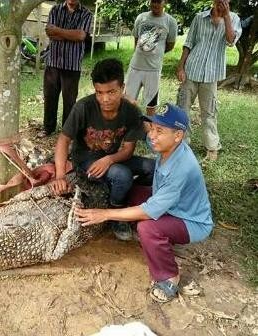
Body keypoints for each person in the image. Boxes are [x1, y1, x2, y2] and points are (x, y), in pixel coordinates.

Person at [75, 104, 214, 303]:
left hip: (190, 220)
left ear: (178, 135)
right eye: (153, 128)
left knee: (147, 227)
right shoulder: (165, 144)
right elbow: (143, 128)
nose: (152, 136)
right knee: (133, 193)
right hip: (172, 206)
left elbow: (148, 211)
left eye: (160, 130)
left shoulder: (182, 168)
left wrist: (104, 214)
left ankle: (169, 277)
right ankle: (157, 240)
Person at [50, 58, 155, 238]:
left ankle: (124, 197)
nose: (105, 99)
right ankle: (116, 216)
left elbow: (128, 150)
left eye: (111, 92)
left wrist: (109, 159)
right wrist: (60, 175)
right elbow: (63, 140)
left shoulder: (131, 111)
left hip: (112, 157)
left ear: (122, 88)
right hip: (86, 160)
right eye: (99, 92)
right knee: (121, 175)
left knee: (153, 168)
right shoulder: (83, 107)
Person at [176, 0, 241, 161]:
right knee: (183, 108)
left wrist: (226, 17)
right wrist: (180, 67)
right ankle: (181, 144)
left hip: (211, 74)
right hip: (192, 69)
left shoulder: (234, 19)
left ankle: (212, 147)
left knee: (209, 112)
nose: (221, 3)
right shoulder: (199, 17)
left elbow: (231, 41)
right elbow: (189, 43)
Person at [39, 0, 93, 138]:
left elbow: (81, 36)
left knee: (69, 101)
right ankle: (48, 128)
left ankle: (67, 132)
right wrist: (71, 34)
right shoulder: (55, 10)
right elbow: (49, 33)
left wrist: (58, 31)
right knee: (50, 97)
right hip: (53, 62)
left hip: (72, 64)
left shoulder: (86, 14)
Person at [125, 0, 178, 116]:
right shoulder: (141, 17)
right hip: (136, 67)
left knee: (151, 105)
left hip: (153, 69)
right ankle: (128, 127)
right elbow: (136, 39)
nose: (155, 4)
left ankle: (149, 131)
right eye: (153, 1)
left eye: (159, 1)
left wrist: (155, 53)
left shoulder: (171, 22)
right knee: (127, 101)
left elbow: (170, 45)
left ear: (165, 2)